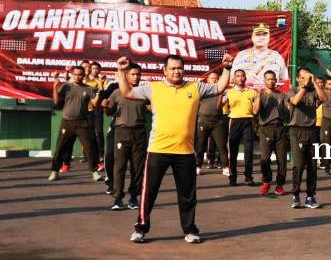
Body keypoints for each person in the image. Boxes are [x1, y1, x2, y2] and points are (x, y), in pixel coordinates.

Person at [116, 53, 232, 244]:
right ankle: (140, 228)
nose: (176, 71)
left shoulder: (195, 87)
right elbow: (127, 92)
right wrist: (121, 70)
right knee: (148, 193)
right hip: (157, 150)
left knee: (187, 195)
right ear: (165, 71)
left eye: (179, 68)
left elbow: (219, 87)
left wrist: (226, 68)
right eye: (172, 68)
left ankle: (190, 230)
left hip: (185, 152)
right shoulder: (154, 88)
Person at [49, 65, 104, 183]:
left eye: (80, 75)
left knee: (90, 148)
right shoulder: (66, 87)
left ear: (83, 76)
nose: (77, 77)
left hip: (82, 123)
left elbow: (94, 104)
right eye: (75, 74)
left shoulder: (89, 89)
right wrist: (54, 86)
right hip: (67, 122)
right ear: (72, 75)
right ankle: (54, 171)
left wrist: (100, 88)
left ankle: (95, 172)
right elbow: (56, 101)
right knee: (60, 148)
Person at [105, 63, 148, 211]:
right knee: (120, 166)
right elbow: (109, 112)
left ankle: (134, 198)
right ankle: (117, 198)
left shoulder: (145, 92)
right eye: (133, 74)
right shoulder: (117, 92)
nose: (136, 77)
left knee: (138, 168)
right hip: (121, 132)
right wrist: (105, 106)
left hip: (140, 133)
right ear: (126, 75)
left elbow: (153, 108)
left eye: (138, 74)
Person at [288, 68, 328, 209]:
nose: (307, 80)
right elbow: (295, 101)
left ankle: (310, 196)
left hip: (312, 131)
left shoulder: (313, 91)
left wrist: (315, 83)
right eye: (303, 77)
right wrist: (305, 86)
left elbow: (324, 99)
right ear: (298, 79)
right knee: (298, 165)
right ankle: (296, 195)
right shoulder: (292, 90)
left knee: (312, 166)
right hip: (297, 130)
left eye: (308, 77)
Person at [254, 70, 289, 196]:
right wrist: (258, 96)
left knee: (282, 160)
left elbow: (287, 112)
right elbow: (255, 111)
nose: (271, 81)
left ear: (276, 80)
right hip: (265, 129)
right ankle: (267, 181)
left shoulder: (282, 95)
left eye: (273, 79)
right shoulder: (261, 95)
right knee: (264, 158)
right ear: (264, 81)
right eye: (268, 79)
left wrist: (285, 108)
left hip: (280, 129)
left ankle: (279, 185)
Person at [224, 69, 258, 187]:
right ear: (234, 78)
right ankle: (232, 177)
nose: (241, 78)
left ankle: (248, 177)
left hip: (248, 121)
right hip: (234, 121)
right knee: (233, 151)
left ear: (245, 78)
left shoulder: (252, 92)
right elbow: (223, 108)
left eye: (243, 76)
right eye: (238, 76)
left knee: (249, 151)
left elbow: (256, 109)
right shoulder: (228, 92)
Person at [230, 23, 290, 89]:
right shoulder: (241, 56)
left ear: (269, 37)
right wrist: (244, 77)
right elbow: (231, 80)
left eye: (264, 34)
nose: (261, 37)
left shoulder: (277, 57)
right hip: (246, 96)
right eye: (258, 34)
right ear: (252, 37)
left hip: (269, 97)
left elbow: (284, 81)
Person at [194, 72, 229, 175]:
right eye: (212, 78)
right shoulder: (201, 91)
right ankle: (198, 166)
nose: (214, 80)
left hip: (217, 122)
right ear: (208, 80)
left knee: (222, 145)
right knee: (200, 146)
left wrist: (222, 95)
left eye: (216, 78)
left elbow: (220, 105)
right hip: (203, 121)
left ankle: (225, 166)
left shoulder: (222, 91)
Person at [84, 62, 108, 171]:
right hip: (86, 109)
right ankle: (88, 156)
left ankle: (101, 155)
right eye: (93, 68)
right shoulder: (85, 80)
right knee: (88, 134)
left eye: (97, 69)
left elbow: (103, 94)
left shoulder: (103, 80)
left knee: (98, 133)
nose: (95, 70)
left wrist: (101, 82)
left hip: (97, 110)